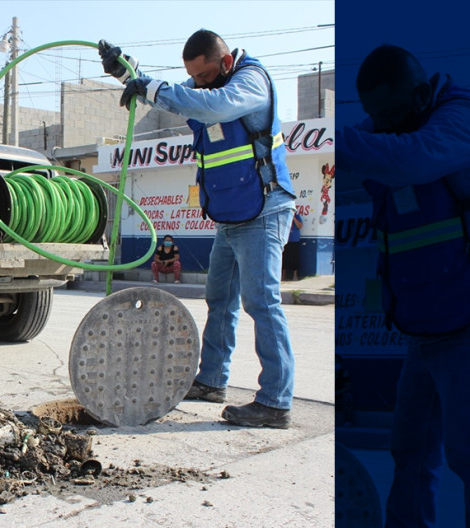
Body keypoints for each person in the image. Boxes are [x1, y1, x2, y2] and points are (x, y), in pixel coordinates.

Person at [100, 29, 297, 428]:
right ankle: (211, 381)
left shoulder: (249, 81)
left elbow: (213, 104)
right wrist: (128, 75)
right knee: (219, 300)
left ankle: (276, 402)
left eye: (204, 76)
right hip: (231, 214)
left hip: (263, 210)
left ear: (225, 63)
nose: (198, 83)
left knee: (262, 302)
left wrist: (152, 87)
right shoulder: (207, 84)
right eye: (194, 77)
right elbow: (178, 95)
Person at [336, 44, 470, 528]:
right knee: (409, 451)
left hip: (463, 325)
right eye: (373, 116)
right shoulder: (388, 127)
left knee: (465, 453)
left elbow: (415, 159)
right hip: (423, 329)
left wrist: (339, 141)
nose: (381, 125)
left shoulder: (456, 119)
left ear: (418, 91)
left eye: (388, 113)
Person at [282, 212, 302, 281]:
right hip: (285, 239)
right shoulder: (284, 216)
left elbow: (300, 226)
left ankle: (295, 275)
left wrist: (293, 218)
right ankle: (283, 276)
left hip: (294, 240)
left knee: (294, 258)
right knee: (284, 258)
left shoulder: (297, 216)